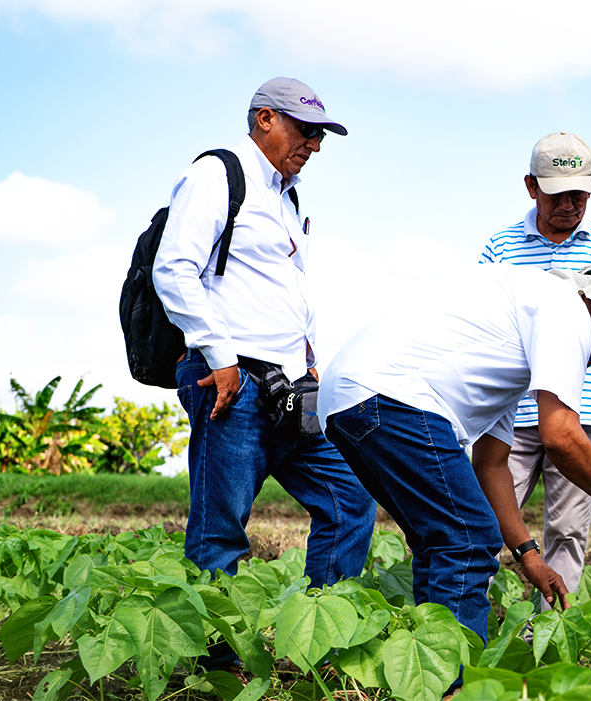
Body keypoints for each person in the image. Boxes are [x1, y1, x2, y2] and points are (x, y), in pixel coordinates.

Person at [316, 260, 591, 649]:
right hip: (393, 398)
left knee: (440, 542)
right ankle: (456, 683)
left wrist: (529, 556)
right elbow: (560, 435)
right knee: (467, 538)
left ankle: (433, 671)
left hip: (348, 402)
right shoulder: (565, 307)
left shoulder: (516, 340)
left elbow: (491, 465)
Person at [153, 78, 375, 606]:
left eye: (320, 135)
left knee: (350, 498)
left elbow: (288, 286)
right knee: (220, 527)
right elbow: (174, 269)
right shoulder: (218, 173)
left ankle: (322, 634)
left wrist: (310, 361)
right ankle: (218, 667)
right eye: (307, 130)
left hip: (290, 384)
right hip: (232, 382)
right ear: (265, 119)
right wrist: (221, 358)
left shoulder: (287, 194)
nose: (315, 145)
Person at [478, 132, 591, 597]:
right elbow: (483, 315)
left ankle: (548, 637)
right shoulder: (502, 246)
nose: (571, 205)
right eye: (559, 194)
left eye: (581, 194)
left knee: (568, 531)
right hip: (511, 411)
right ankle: (473, 621)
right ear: (531, 187)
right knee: (488, 524)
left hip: (583, 405)